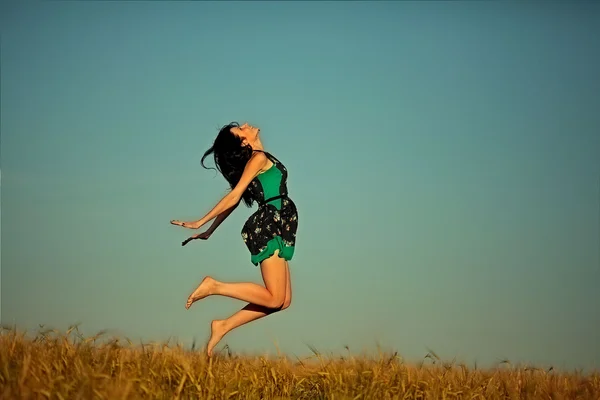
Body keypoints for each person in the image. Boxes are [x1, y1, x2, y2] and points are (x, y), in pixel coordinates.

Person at [170, 122, 298, 356]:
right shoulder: (258, 159)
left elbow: (235, 200)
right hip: (269, 225)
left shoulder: (259, 159)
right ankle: (214, 286)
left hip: (279, 223)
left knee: (283, 300)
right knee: (275, 297)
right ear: (243, 141)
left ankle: (223, 325)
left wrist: (211, 230)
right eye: (241, 129)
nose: (246, 125)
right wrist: (201, 222)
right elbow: (235, 195)